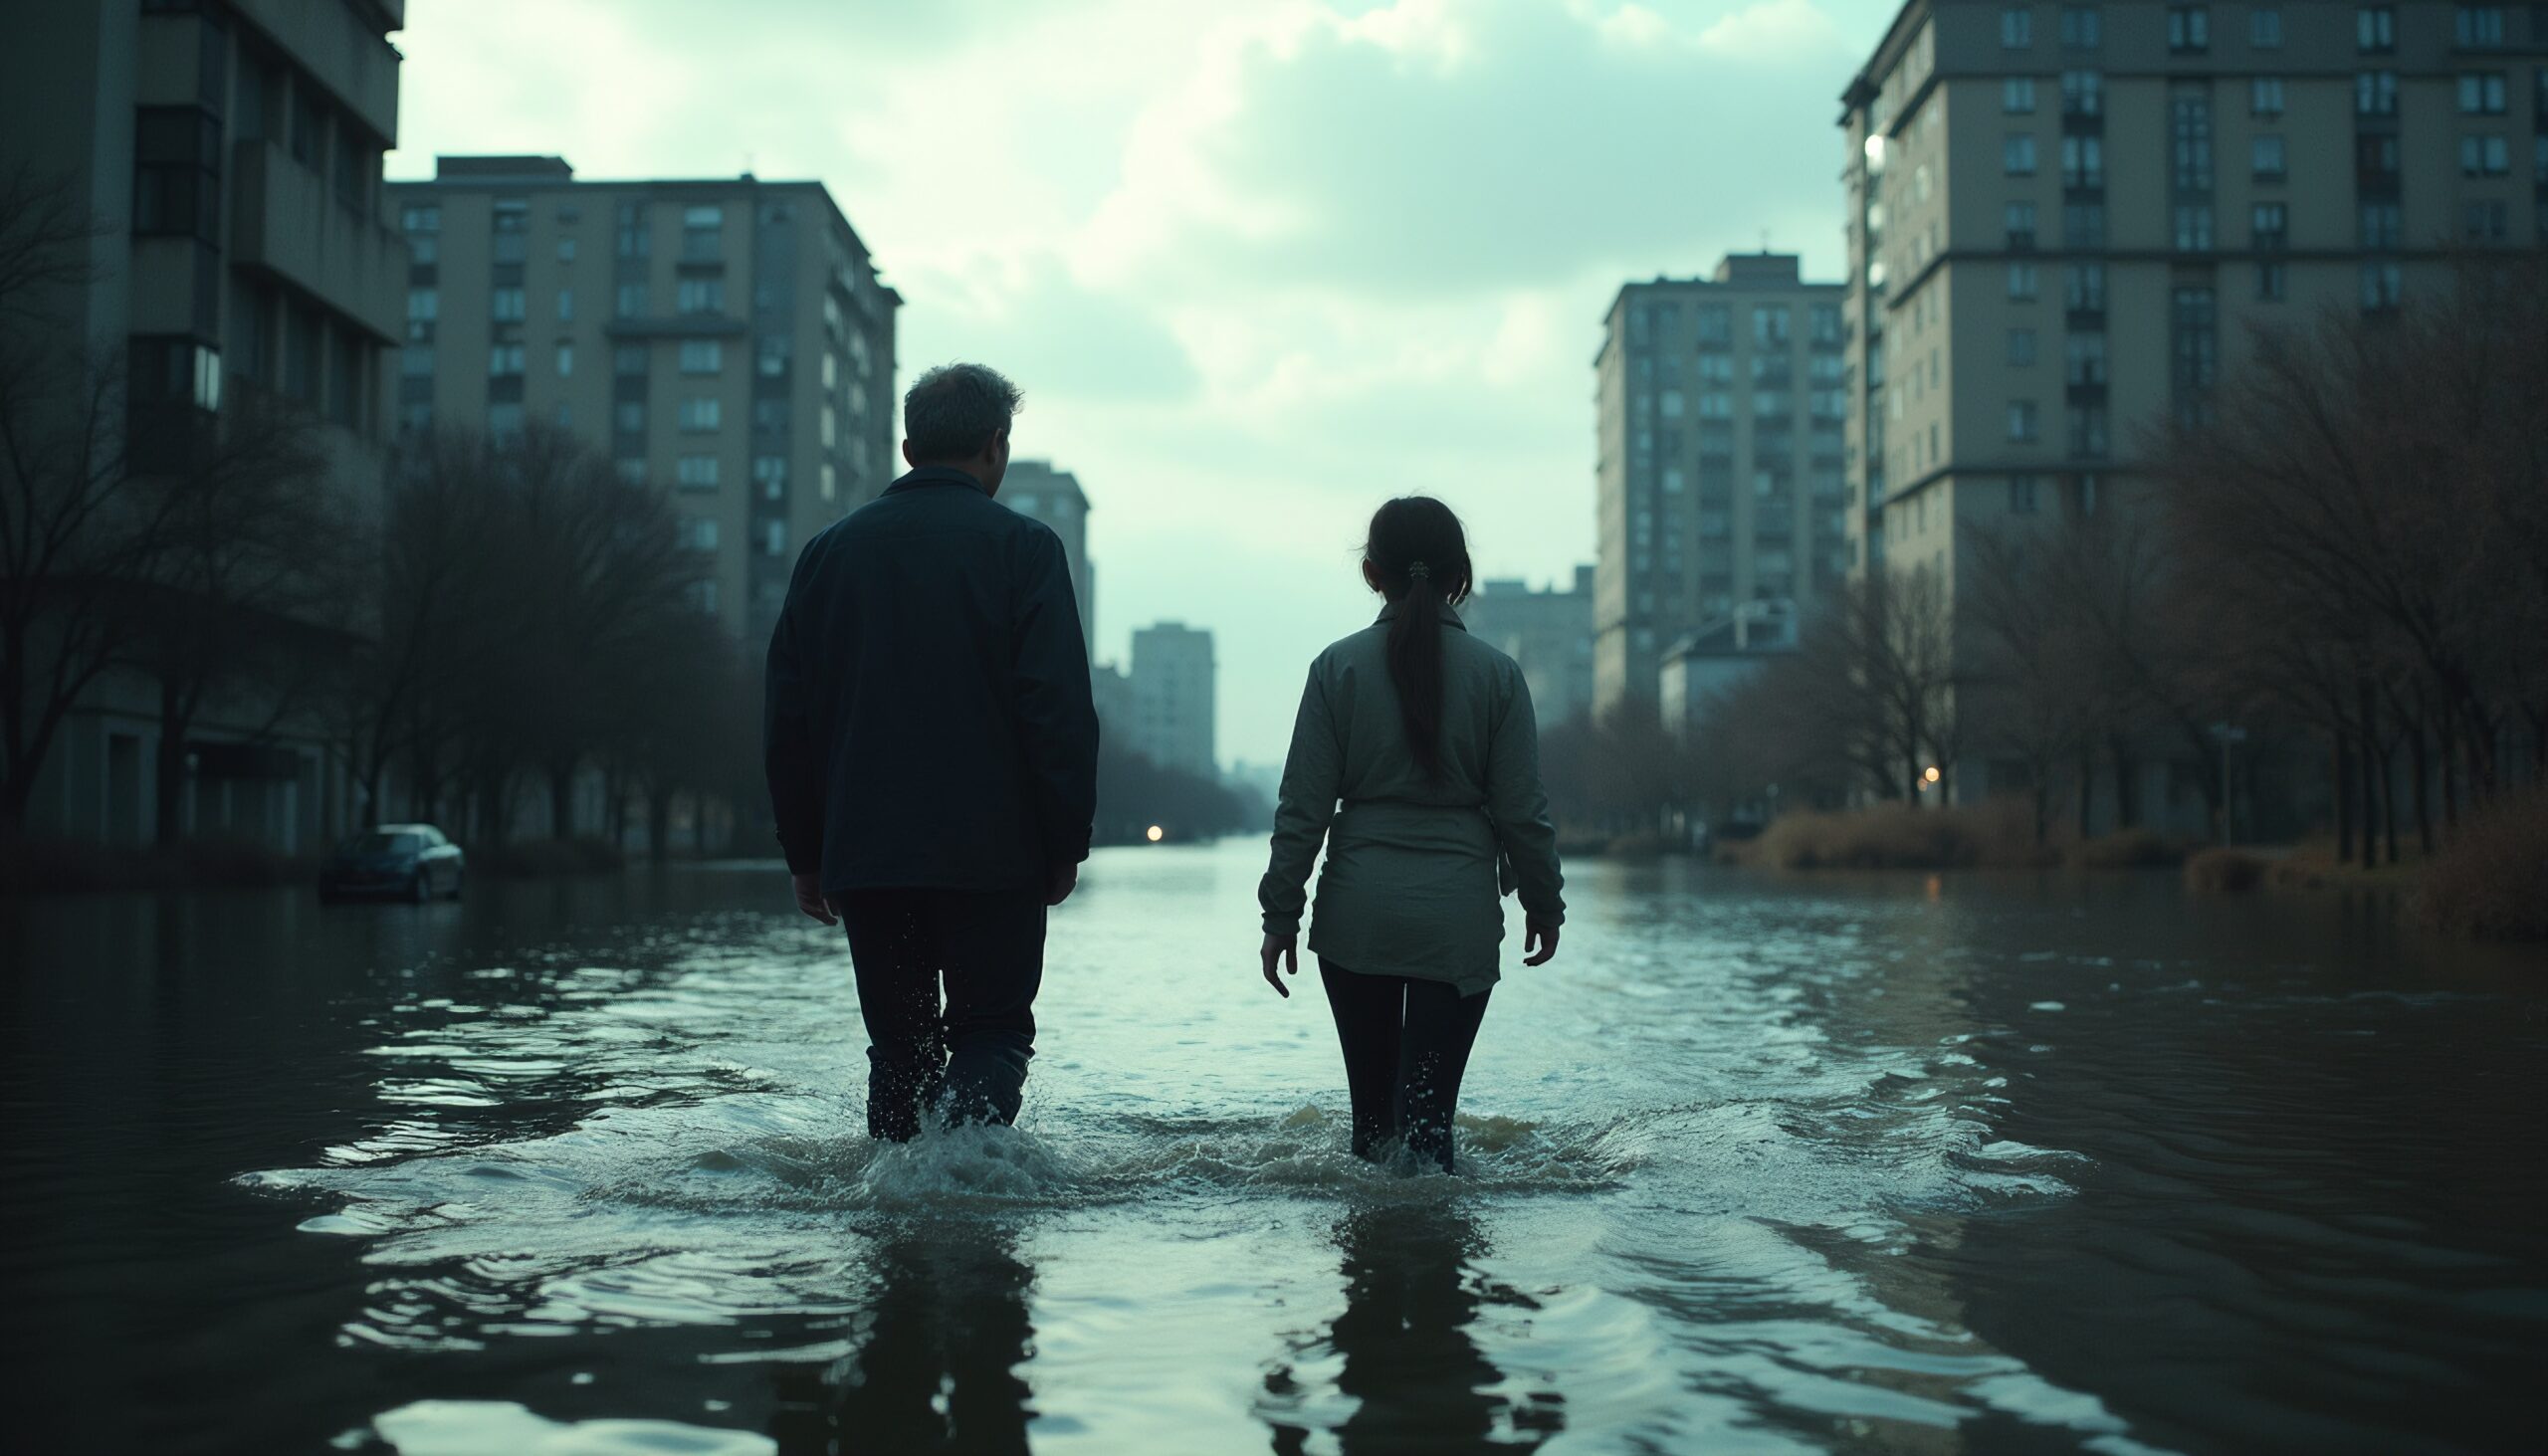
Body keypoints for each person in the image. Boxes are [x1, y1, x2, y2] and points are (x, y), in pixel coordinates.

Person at [764, 363, 1099, 1141]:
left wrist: (805, 853)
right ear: (996, 445)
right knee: (992, 1032)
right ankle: (964, 1197)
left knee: (899, 1052)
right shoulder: (1026, 549)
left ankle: (898, 1227)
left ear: (909, 448)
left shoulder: (826, 555)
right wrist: (1064, 841)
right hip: (996, 852)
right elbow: (1057, 711)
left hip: (868, 852)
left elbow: (789, 719)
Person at [1257, 497, 1564, 1173]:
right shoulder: (1499, 677)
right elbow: (1524, 811)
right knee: (1429, 1133)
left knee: (1371, 1132)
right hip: (1455, 923)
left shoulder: (1335, 669)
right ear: (1462, 575)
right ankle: (1434, 1271)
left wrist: (1281, 912)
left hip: (1356, 918)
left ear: (1372, 573)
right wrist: (1544, 901)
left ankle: (1371, 1273)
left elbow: (1300, 810)